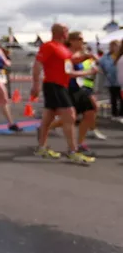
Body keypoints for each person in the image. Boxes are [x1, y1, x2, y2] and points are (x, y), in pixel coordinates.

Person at [31, 24, 96, 164]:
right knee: (70, 115)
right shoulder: (49, 46)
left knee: (48, 118)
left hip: (61, 85)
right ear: (60, 32)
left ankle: (41, 147)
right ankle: (72, 151)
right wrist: (35, 85)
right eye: (66, 30)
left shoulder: (63, 49)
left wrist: (85, 58)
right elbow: (37, 65)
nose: (68, 33)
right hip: (54, 85)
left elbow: (69, 67)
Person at [99, 40, 120, 120]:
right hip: (111, 80)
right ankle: (114, 113)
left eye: (115, 46)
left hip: (120, 80)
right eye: (112, 46)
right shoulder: (106, 57)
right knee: (113, 97)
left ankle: (120, 113)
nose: (113, 48)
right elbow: (101, 65)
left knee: (121, 97)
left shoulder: (120, 56)